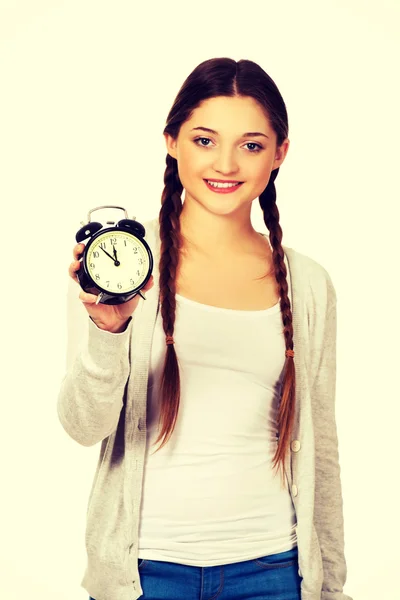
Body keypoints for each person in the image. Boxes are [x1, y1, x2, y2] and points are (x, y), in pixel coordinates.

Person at [58, 57, 353, 600]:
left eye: (251, 144)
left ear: (279, 154)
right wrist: (108, 331)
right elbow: (82, 425)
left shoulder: (308, 284)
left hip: (272, 569)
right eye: (204, 139)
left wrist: (329, 584)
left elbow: (322, 448)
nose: (225, 163)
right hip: (146, 572)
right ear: (171, 141)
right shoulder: (122, 264)